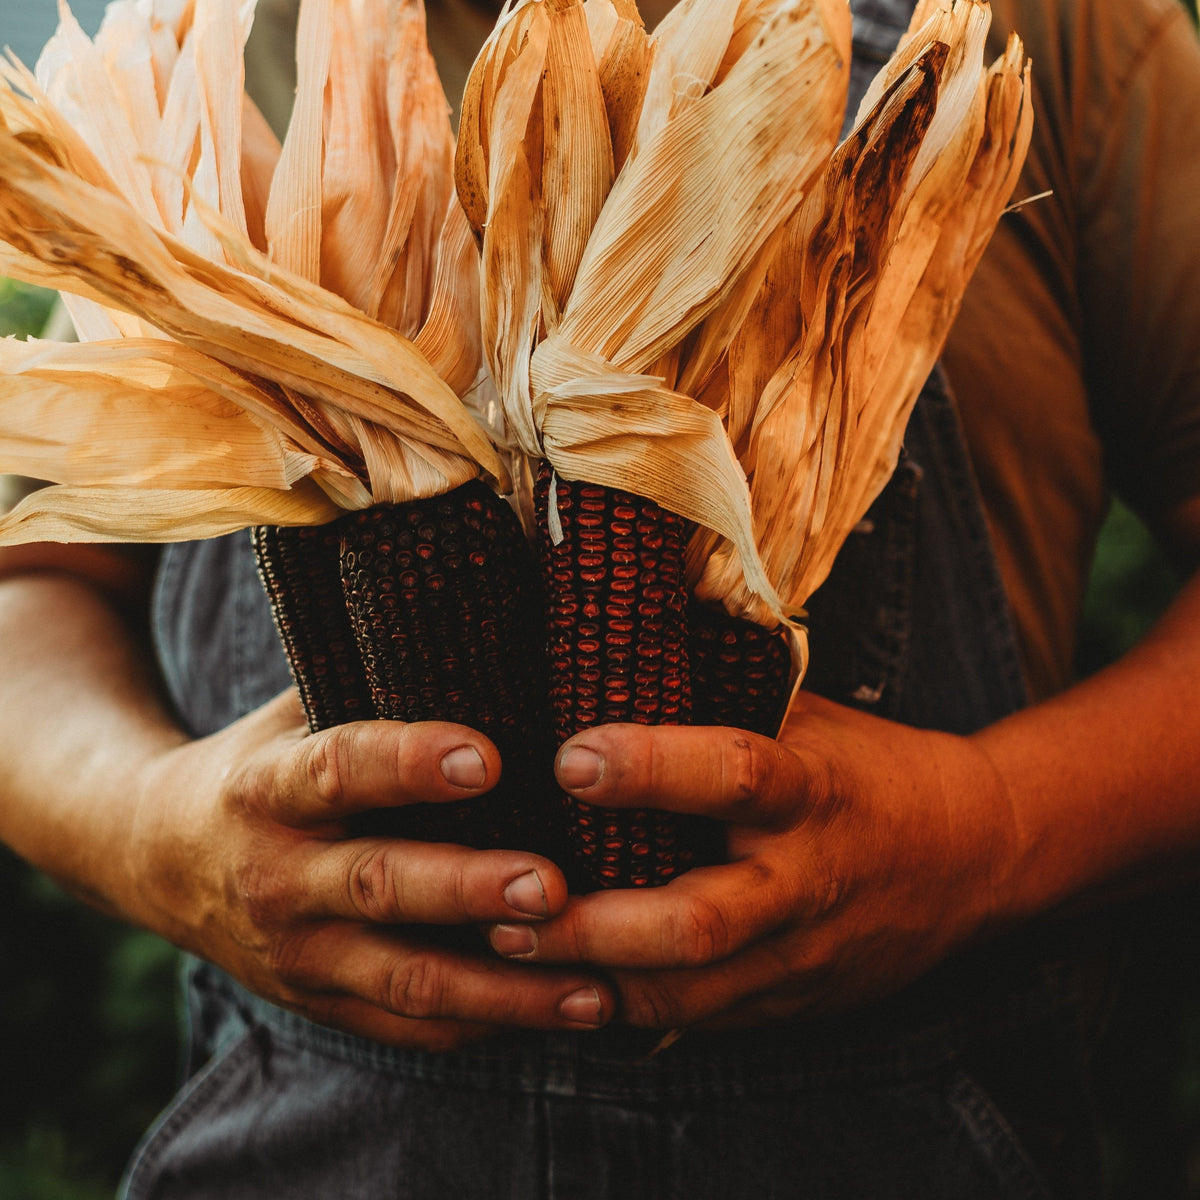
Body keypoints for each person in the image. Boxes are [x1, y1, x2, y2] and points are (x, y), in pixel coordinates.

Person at [0, 0, 1198, 1195]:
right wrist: (149, 829)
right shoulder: (216, 51)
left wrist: (988, 833)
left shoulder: (1053, 30)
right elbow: (32, 586)